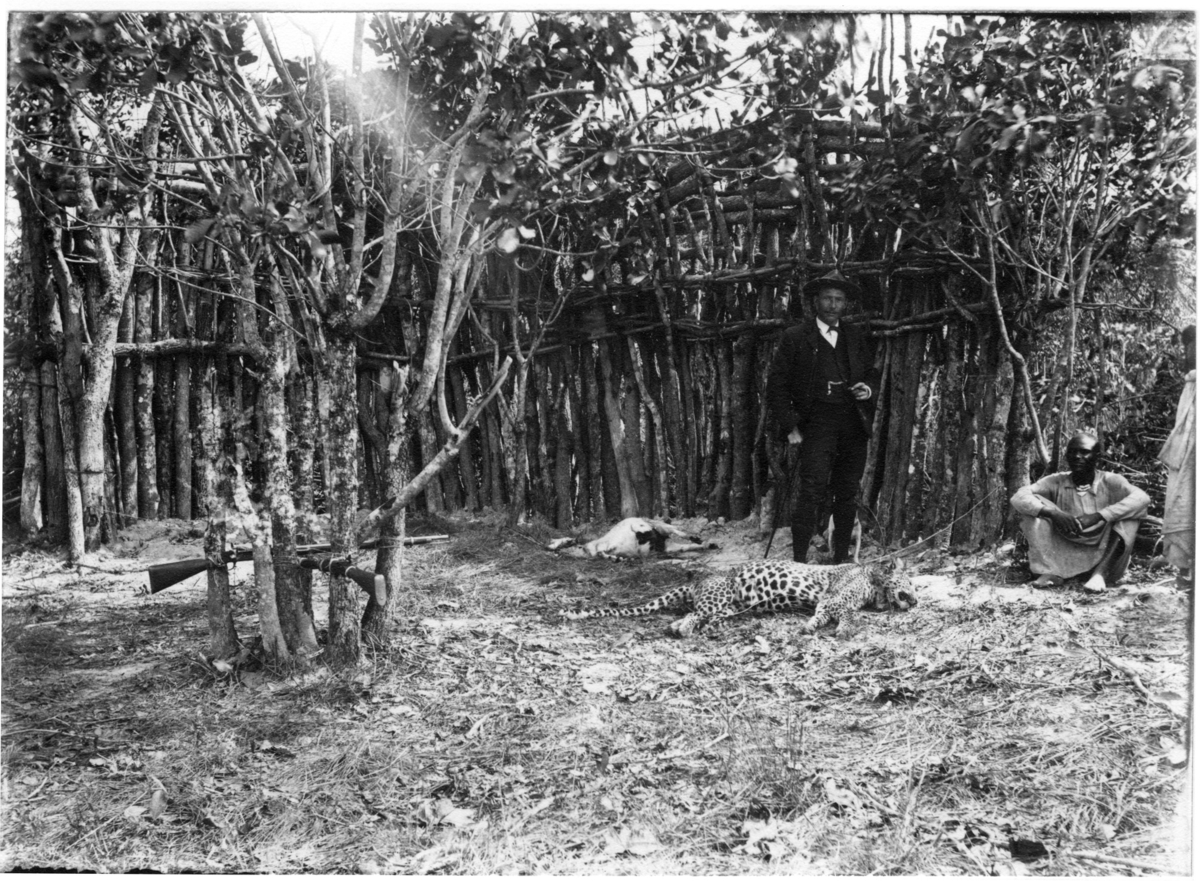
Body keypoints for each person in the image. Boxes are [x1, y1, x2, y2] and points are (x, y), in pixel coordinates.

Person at [766, 270, 879, 563]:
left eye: (839, 299)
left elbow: (871, 373)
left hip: (852, 424)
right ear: (816, 301)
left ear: (846, 304)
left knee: (847, 492)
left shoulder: (854, 336)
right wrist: (791, 426)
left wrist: (867, 389)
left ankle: (840, 559)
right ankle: (799, 562)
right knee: (812, 490)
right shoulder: (796, 337)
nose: (833, 305)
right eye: (827, 298)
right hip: (816, 424)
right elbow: (777, 385)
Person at [1010, 431, 1150, 592]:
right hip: (1065, 556)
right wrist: (1053, 513)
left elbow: (1142, 498)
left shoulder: (1111, 481)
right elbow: (1018, 496)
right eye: (1072, 452)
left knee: (1130, 517)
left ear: (1097, 457)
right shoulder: (1056, 481)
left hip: (1104, 555)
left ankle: (1099, 576)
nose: (1077, 457)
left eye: (1084, 452)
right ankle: (1050, 572)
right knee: (1033, 511)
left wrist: (1099, 516)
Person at [1158, 325, 1195, 588]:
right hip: (1189, 457)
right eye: (1188, 346)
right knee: (1183, 501)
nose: (1189, 352)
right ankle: (1187, 569)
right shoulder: (1191, 383)